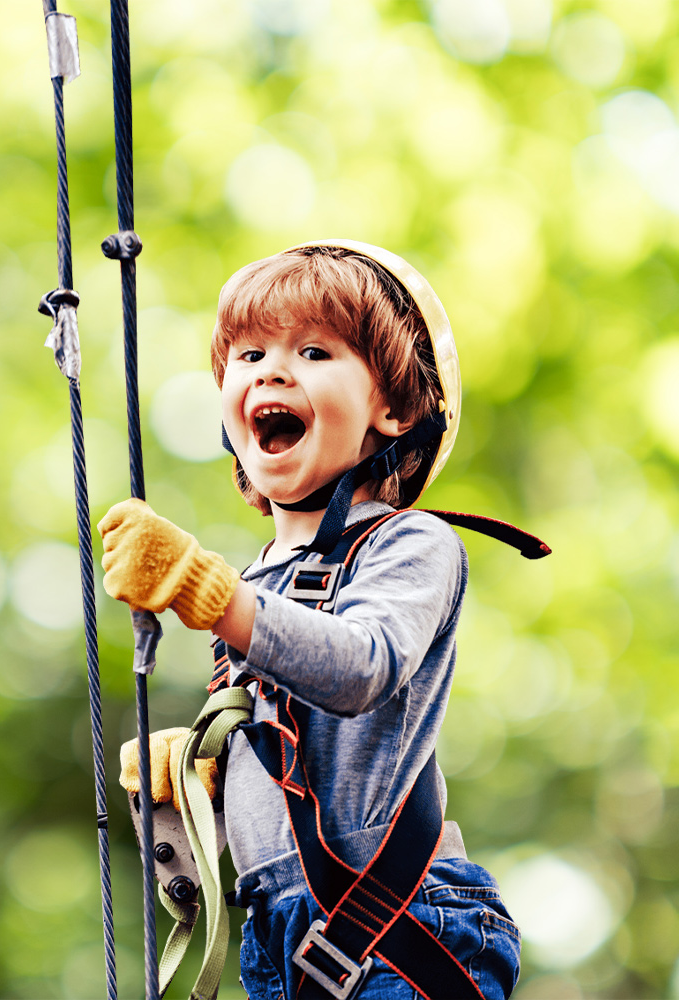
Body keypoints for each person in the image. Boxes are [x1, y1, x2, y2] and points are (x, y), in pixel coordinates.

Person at [99, 241, 523, 1000]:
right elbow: (307, 759)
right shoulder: (256, 583)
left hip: (401, 924)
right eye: (250, 352)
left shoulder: (409, 541)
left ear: (391, 410)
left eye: (316, 351)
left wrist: (209, 592)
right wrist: (210, 768)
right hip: (281, 932)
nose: (271, 369)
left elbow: (360, 666)